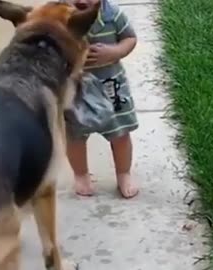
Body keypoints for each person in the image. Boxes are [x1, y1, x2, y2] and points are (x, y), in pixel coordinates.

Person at [64, 0, 139, 199]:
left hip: (111, 88)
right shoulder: (58, 16)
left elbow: (130, 38)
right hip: (75, 90)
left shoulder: (111, 15)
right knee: (74, 136)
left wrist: (114, 52)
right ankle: (81, 175)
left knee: (120, 134)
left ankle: (124, 173)